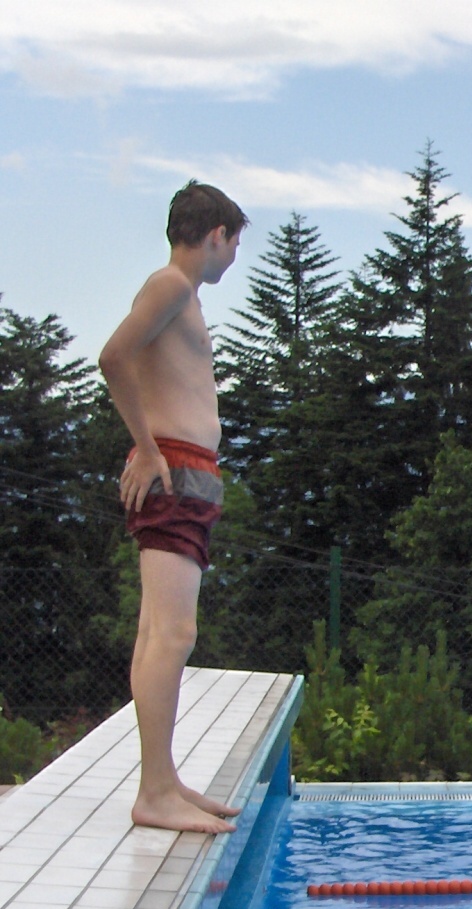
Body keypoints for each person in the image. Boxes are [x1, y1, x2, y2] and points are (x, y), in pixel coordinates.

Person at [99, 181, 248, 833]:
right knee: (173, 633)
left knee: (157, 631)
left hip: (190, 470)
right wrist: (148, 449)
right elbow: (114, 356)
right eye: (235, 243)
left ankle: (163, 780)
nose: (234, 257)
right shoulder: (169, 286)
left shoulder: (179, 295)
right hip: (174, 469)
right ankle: (154, 792)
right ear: (215, 234)